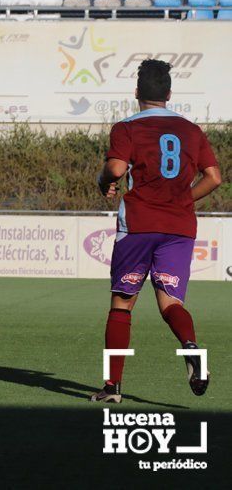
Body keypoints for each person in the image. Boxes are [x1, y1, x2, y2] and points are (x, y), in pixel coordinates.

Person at [91, 59, 222, 403]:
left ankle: (112, 388)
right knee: (170, 303)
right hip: (179, 228)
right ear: (168, 93)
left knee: (122, 304)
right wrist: (182, 199)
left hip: (138, 226)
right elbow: (214, 178)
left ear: (137, 93)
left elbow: (117, 168)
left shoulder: (127, 127)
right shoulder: (192, 130)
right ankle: (191, 348)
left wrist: (103, 180)